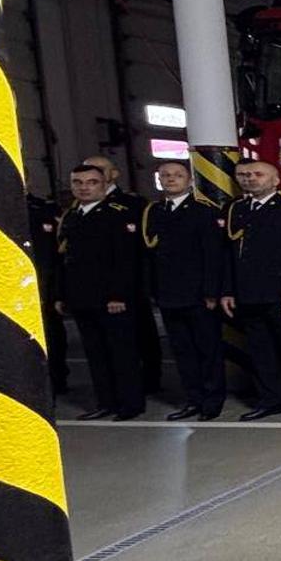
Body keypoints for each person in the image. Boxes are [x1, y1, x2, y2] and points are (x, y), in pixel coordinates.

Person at [220, 158, 281, 421]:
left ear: (275, 180)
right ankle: (270, 399)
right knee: (260, 351)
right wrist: (227, 290)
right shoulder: (236, 210)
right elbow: (229, 254)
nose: (249, 179)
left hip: (280, 294)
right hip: (247, 293)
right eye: (244, 175)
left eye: (257, 174)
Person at [56, 164, 147, 420]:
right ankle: (106, 402)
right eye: (78, 183)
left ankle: (130, 404)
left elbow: (125, 261)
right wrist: (62, 295)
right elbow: (65, 260)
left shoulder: (117, 215)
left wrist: (119, 295)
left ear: (104, 185)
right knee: (95, 354)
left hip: (112, 299)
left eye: (91, 182)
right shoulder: (72, 216)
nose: (84, 187)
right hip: (83, 297)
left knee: (122, 353)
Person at [141, 160, 228, 421]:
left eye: (177, 175)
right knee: (182, 351)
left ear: (189, 180)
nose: (170, 179)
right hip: (168, 293)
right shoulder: (155, 212)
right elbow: (150, 256)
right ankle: (193, 399)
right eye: (165, 176)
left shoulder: (203, 212)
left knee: (207, 350)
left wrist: (211, 292)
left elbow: (212, 256)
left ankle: (212, 401)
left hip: (199, 295)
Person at [85, 154, 164, 394]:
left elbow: (141, 249)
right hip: (97, 288)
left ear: (114, 174)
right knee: (109, 343)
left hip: (133, 284)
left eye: (100, 169)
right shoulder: (80, 207)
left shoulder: (134, 205)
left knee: (143, 336)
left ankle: (150, 382)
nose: (93, 174)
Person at [26, 193, 70, 395]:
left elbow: (54, 254)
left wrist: (55, 290)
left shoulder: (44, 209)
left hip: (46, 282)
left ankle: (57, 380)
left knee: (52, 336)